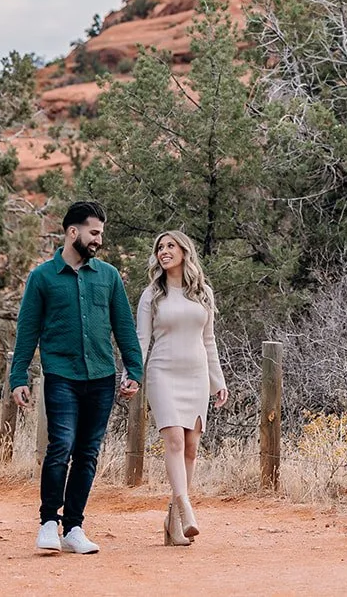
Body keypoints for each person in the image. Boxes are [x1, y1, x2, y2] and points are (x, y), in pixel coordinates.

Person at [10, 200, 143, 555]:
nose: (99, 239)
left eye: (101, 233)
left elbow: (124, 327)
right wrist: (18, 375)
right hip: (61, 375)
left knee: (87, 454)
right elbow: (28, 329)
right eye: (94, 232)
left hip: (101, 377)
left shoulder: (109, 276)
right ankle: (48, 523)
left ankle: (74, 527)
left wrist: (135, 370)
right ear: (73, 232)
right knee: (61, 447)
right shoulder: (41, 277)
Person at [136, 229, 228, 547]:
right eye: (160, 247)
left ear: (184, 252)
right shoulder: (152, 295)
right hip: (162, 372)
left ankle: (172, 520)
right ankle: (185, 506)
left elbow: (209, 340)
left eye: (170, 246)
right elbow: (141, 340)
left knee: (190, 448)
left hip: (196, 375)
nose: (163, 251)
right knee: (174, 439)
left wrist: (218, 381)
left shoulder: (203, 293)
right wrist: (132, 374)